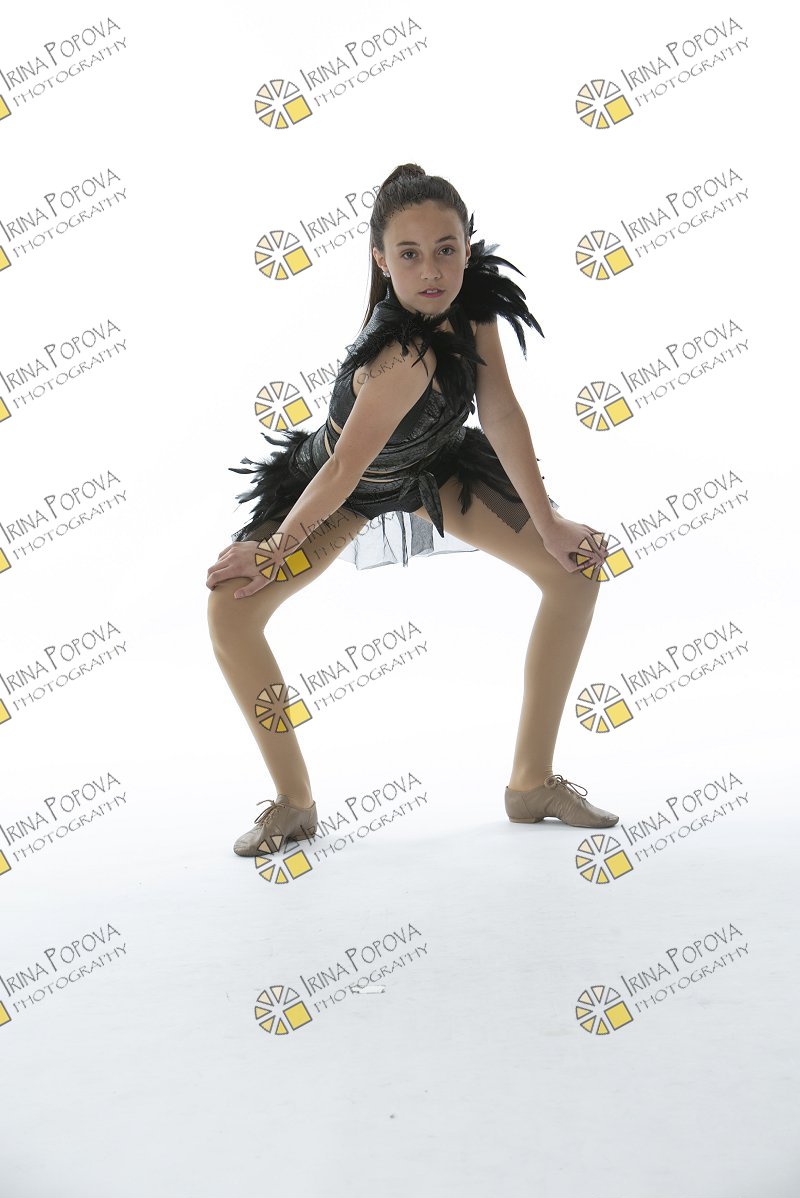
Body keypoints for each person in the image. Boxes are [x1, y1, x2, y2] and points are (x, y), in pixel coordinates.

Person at [206, 163, 619, 858]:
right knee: (230, 612)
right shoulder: (402, 357)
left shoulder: (473, 303)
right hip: (342, 488)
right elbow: (343, 471)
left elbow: (501, 410)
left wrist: (549, 525)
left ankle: (532, 783)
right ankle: (294, 802)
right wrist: (274, 549)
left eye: (446, 249)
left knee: (573, 572)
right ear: (380, 259)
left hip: (436, 465)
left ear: (467, 246)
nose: (432, 271)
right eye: (409, 254)